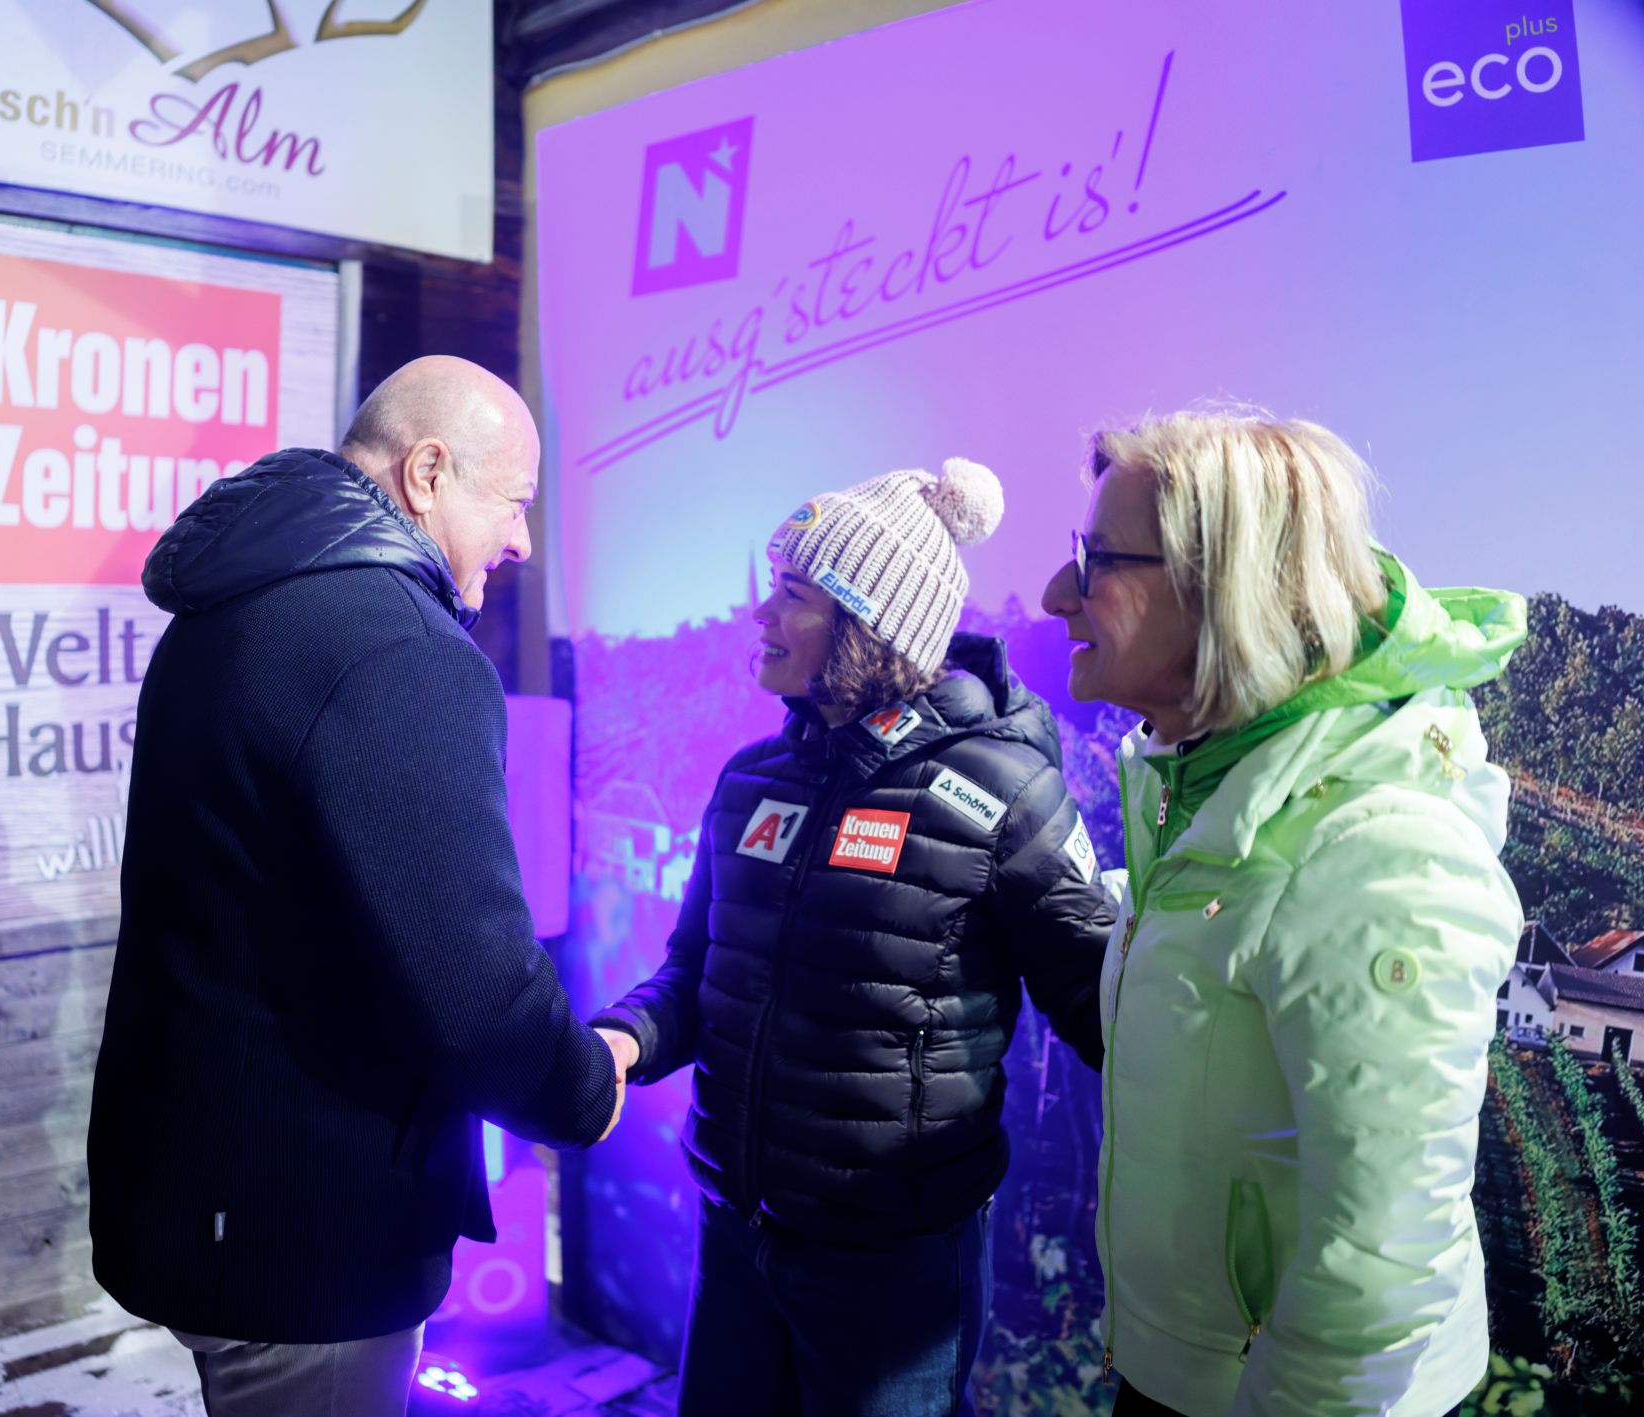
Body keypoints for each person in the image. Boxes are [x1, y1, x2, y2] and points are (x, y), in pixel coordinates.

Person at [87, 357, 629, 1415]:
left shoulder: (236, 602)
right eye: (511, 501)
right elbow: (476, 994)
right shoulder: (396, 648)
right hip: (306, 1234)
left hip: (205, 1196)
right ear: (428, 472)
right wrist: (581, 1088)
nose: (521, 540)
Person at [593, 458, 1117, 1417]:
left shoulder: (1002, 787)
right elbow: (693, 972)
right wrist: (618, 1042)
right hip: (736, 1235)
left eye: (790, 594)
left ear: (867, 626)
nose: (758, 616)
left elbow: (1111, 1011)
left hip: (894, 1267)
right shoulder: (752, 780)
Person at [1040, 410, 1524, 1416]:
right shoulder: (1203, 796)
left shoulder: (1374, 852)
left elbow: (1378, 1280)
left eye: (1095, 561)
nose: (1055, 595)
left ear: (1222, 589)